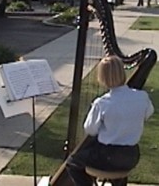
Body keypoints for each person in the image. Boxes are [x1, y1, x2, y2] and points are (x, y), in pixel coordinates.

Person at [66, 55, 154, 186]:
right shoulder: (142, 96)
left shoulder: (102, 103)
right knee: (116, 167)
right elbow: (148, 114)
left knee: (72, 163)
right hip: (131, 156)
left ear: (103, 77)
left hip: (107, 157)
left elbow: (90, 129)